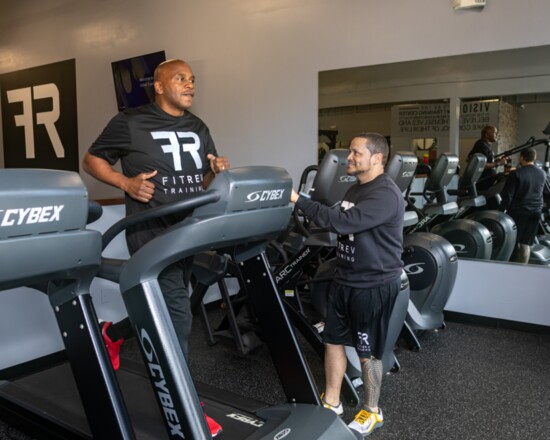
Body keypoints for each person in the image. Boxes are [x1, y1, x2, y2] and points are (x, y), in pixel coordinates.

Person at [82, 58, 228, 437]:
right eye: (181, 79)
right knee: (179, 317)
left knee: (163, 309)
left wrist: (216, 170)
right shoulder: (131, 122)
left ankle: (110, 335)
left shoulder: (199, 127)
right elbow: (92, 159)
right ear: (160, 86)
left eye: (193, 80)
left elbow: (201, 177)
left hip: (188, 231)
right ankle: (185, 404)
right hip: (151, 234)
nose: (190, 85)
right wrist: (126, 184)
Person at [290, 133, 405, 437]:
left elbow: (342, 222)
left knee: (368, 352)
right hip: (345, 278)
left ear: (376, 158)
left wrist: (298, 199)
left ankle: (372, 410)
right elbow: (336, 217)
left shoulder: (385, 194)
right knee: (333, 340)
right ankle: (331, 401)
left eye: (356, 153)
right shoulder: (357, 188)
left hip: (372, 285)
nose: (349, 158)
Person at [499, 147, 548, 264]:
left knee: (514, 242)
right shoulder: (542, 173)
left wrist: (499, 212)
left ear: (522, 157)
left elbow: (507, 196)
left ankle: (511, 267)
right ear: (534, 158)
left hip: (519, 212)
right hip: (536, 212)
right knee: (526, 243)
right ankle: (524, 267)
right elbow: (546, 191)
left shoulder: (516, 173)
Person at [467, 125, 508, 191]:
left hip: (488, 181)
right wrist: (498, 163)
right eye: (494, 133)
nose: (496, 135)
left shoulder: (486, 145)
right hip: (482, 183)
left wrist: (498, 160)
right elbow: (480, 165)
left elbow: (487, 160)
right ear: (487, 135)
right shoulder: (482, 145)